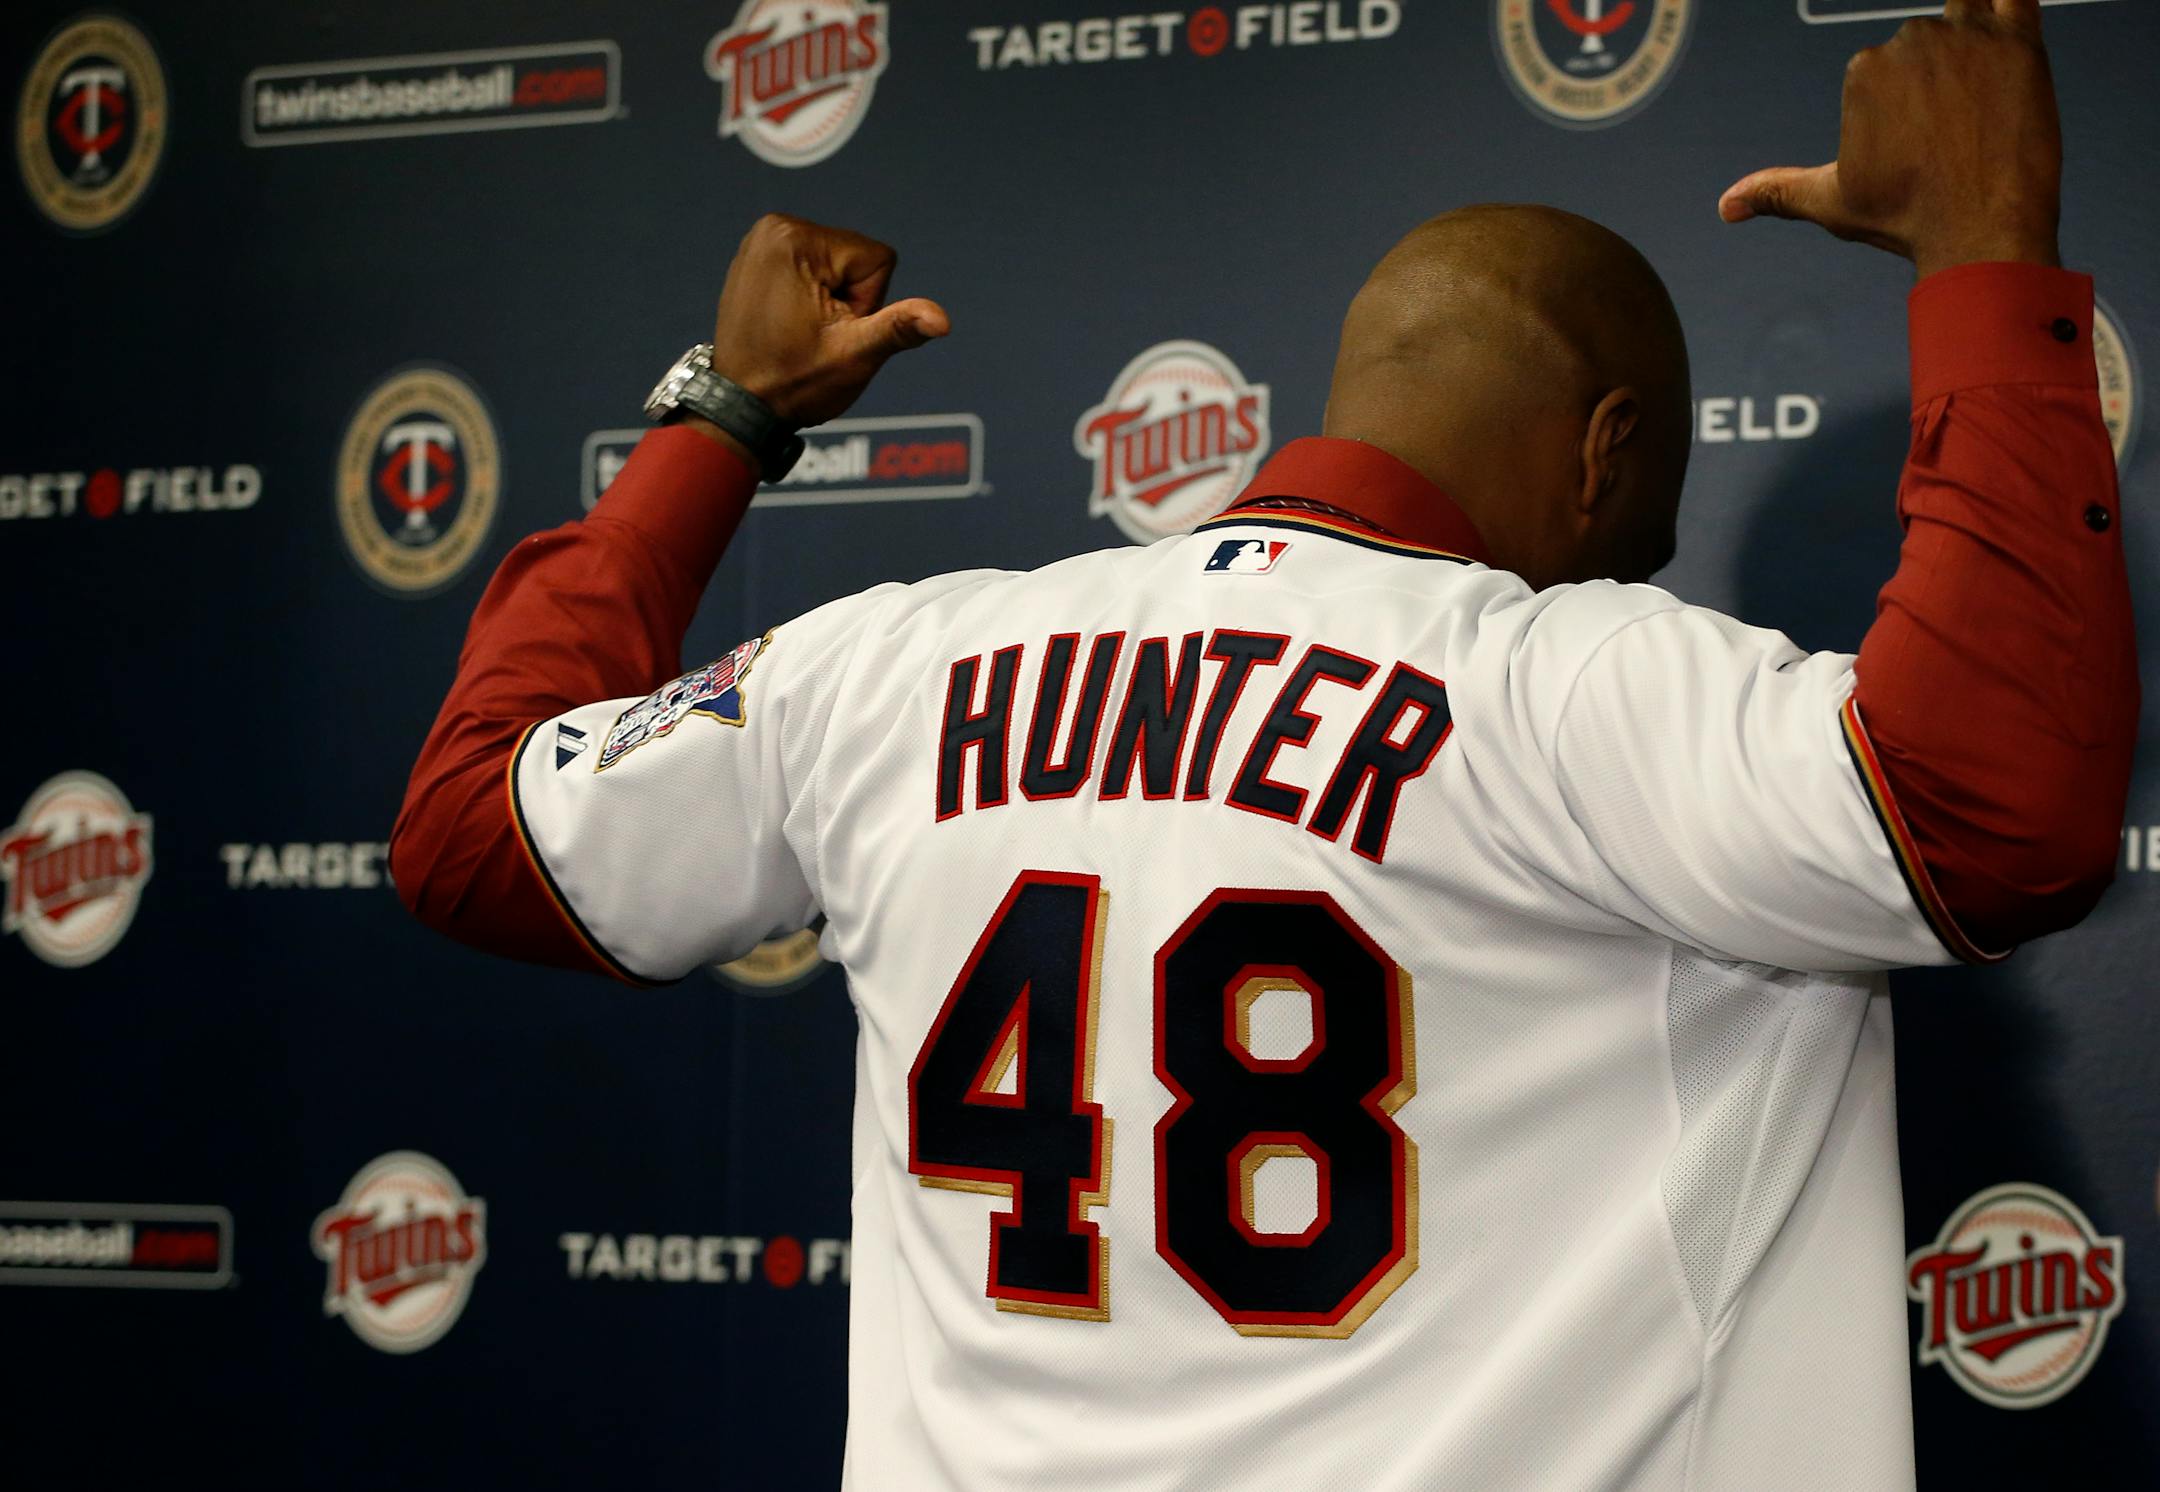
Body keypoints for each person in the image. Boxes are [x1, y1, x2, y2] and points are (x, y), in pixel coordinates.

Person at [391, 2, 2131, 1486]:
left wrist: (727, 419)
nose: (1647, 558)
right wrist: (1989, 238)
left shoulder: (895, 669)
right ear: (1603, 454)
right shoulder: (1568, 685)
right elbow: (1991, 807)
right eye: (1650, 515)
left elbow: (473, 826)